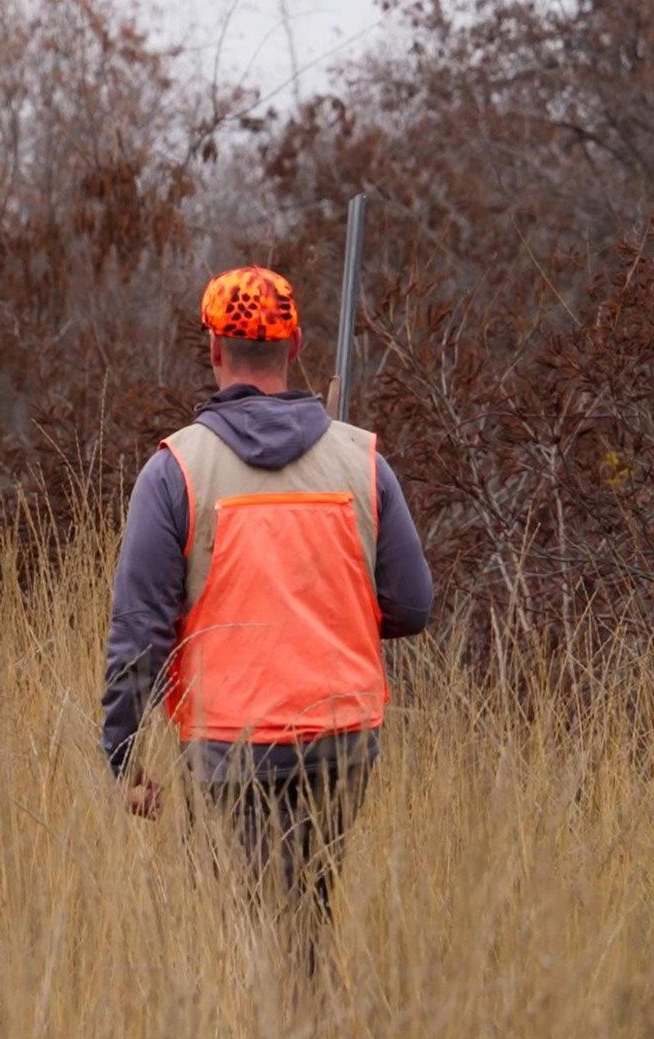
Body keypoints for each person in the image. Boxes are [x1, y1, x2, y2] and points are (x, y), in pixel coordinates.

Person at [101, 264, 435, 969]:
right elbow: (412, 605)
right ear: (297, 344)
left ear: (214, 349)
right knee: (303, 924)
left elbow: (141, 632)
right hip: (343, 743)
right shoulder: (361, 460)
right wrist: (322, 600)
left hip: (230, 745)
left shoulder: (176, 470)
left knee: (245, 941)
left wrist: (122, 754)